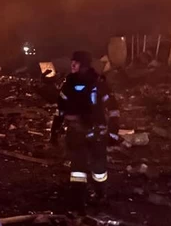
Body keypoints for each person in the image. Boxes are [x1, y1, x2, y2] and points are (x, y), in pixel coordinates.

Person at [50, 50, 122, 212]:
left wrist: (113, 132)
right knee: (78, 169)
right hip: (80, 134)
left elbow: (113, 109)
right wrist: (54, 132)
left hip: (94, 133)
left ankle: (99, 195)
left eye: (75, 63)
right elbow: (60, 110)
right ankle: (79, 201)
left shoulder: (97, 84)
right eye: (72, 62)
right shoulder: (69, 84)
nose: (72, 65)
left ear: (83, 64)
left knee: (97, 168)